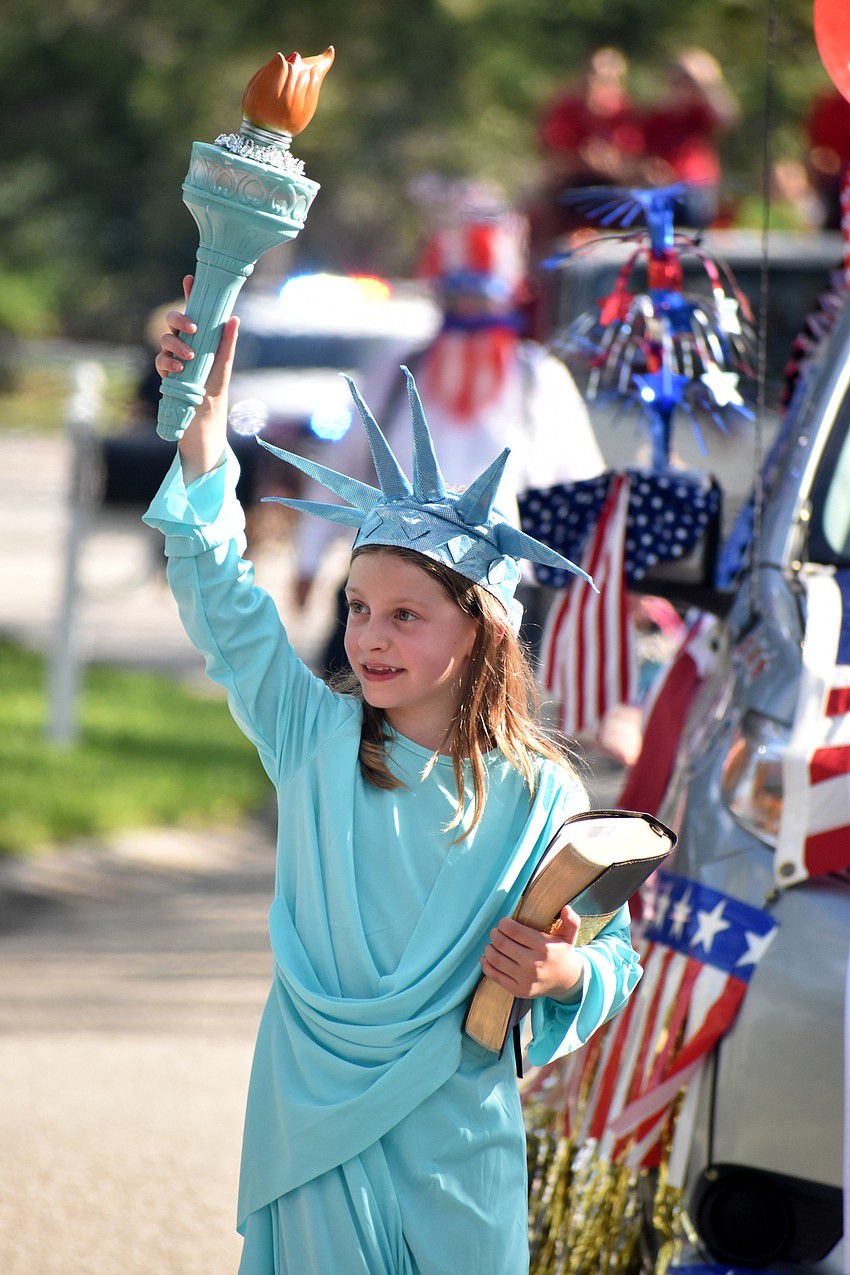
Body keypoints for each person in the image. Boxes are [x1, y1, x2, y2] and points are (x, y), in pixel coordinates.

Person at [144, 281, 642, 1274]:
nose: (367, 635)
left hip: (458, 1143)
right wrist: (202, 446)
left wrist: (565, 970)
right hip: (312, 1120)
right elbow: (222, 597)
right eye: (359, 607)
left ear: (484, 630)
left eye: (404, 616)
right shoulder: (313, 736)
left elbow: (612, 953)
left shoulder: (541, 793)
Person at [295, 190, 606, 670]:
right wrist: (308, 560)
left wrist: (600, 590)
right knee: (356, 725)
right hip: (387, 578)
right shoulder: (399, 367)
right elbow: (343, 462)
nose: (469, 309)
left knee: (478, 730)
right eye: (457, 293)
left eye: (481, 295)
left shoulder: (537, 376)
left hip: (499, 593)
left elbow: (584, 488)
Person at [641, 48, 739, 229]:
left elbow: (726, 117)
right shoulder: (655, 117)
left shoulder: (699, 113)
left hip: (697, 188)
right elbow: (641, 152)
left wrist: (707, 81)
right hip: (662, 190)